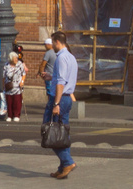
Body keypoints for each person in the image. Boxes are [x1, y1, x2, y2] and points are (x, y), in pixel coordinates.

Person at [48, 31, 78, 179]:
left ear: (57, 42)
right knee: (62, 133)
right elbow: (64, 79)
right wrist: (50, 77)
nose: (52, 45)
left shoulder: (61, 58)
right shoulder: (71, 57)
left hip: (59, 99)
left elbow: (61, 82)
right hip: (67, 98)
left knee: (50, 132)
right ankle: (62, 168)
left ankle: (67, 162)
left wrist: (56, 103)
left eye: (52, 42)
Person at [4, 49, 27, 122]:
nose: (16, 59)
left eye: (17, 58)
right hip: (9, 86)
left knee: (17, 101)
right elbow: (3, 76)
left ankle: (16, 115)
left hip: (17, 86)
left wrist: (22, 82)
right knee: (9, 101)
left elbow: (23, 74)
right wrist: (3, 86)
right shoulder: (6, 65)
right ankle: (10, 115)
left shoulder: (20, 64)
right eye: (15, 58)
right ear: (11, 59)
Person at [41, 34, 58, 115]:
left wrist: (40, 72)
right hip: (55, 75)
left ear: (49, 44)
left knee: (49, 92)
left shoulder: (48, 53)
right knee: (54, 91)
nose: (45, 46)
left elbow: (43, 64)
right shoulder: (57, 52)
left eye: (45, 45)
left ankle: (50, 106)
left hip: (48, 75)